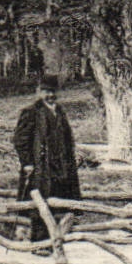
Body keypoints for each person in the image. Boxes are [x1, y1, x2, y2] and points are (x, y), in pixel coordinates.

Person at [13, 74, 81, 239]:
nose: (50, 95)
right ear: (38, 92)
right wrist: (27, 163)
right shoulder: (31, 112)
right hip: (41, 167)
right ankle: (39, 242)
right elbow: (20, 140)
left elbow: (66, 139)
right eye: (46, 91)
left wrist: (72, 156)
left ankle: (57, 239)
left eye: (52, 91)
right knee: (40, 204)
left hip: (61, 167)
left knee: (60, 202)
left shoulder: (60, 112)